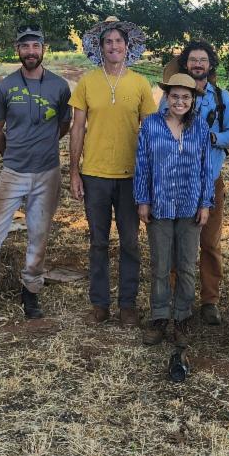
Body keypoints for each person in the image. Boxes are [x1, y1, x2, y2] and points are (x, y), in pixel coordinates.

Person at [0, 25, 71, 325]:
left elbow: (64, 125)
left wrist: (44, 146)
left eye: (35, 46)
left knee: (39, 235)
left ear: (43, 49)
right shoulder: (6, 86)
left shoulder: (60, 87)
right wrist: (11, 154)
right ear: (17, 50)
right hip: (13, 172)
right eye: (25, 46)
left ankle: (31, 291)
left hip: (47, 172)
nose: (31, 52)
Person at [68, 17, 157, 325]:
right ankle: (100, 303)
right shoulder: (87, 82)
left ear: (127, 46)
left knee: (130, 242)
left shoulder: (140, 83)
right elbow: (77, 128)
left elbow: (151, 132)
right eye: (108, 42)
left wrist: (150, 176)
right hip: (95, 174)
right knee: (98, 242)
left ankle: (128, 304)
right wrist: (74, 172)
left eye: (119, 41)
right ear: (100, 47)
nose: (114, 46)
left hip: (131, 176)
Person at [135, 73, 214, 346]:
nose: (180, 101)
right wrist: (142, 200)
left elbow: (206, 168)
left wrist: (205, 203)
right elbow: (142, 165)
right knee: (160, 264)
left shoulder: (200, 127)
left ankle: (182, 317)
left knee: (186, 265)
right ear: (166, 97)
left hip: (190, 205)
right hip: (159, 204)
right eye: (175, 96)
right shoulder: (151, 125)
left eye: (186, 97)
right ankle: (159, 316)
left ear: (193, 100)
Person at [173, 41, 229, 325]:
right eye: (193, 59)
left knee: (210, 243)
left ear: (210, 64)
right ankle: (178, 299)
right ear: (185, 64)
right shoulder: (173, 94)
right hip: (177, 180)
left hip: (210, 180)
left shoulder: (221, 98)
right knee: (177, 242)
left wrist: (214, 138)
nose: (197, 64)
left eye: (203, 60)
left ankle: (210, 300)